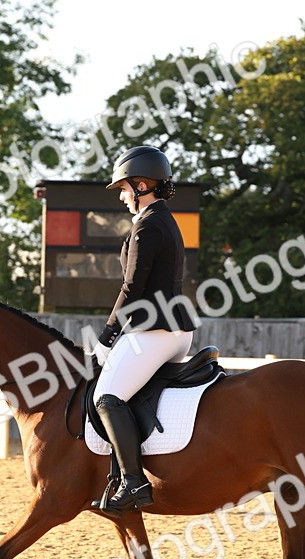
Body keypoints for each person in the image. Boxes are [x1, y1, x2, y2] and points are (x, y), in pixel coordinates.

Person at [91, 145, 196, 515]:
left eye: (124, 188)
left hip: (155, 331)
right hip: (174, 330)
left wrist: (107, 336)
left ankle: (134, 484)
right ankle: (121, 475)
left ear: (142, 185)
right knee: (129, 393)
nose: (121, 196)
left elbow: (132, 288)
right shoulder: (163, 219)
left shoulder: (148, 225)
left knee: (106, 398)